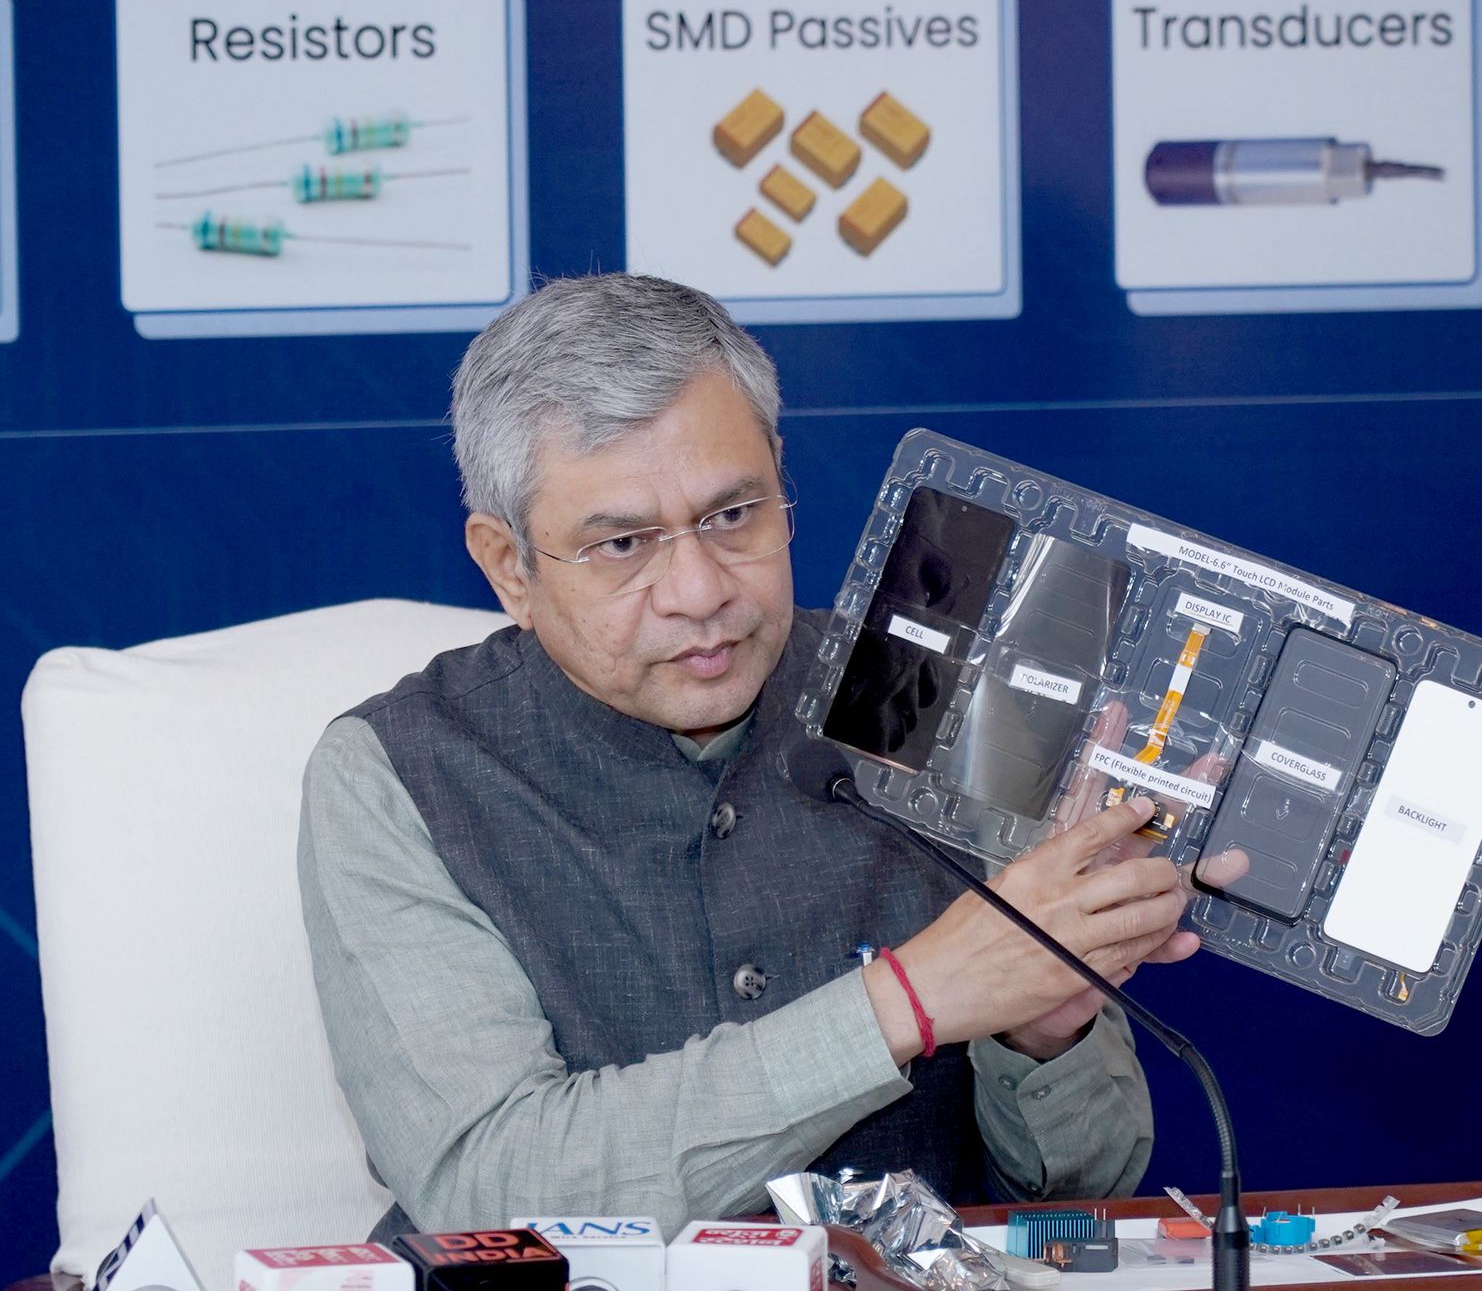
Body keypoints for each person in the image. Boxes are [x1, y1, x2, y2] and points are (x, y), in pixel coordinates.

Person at [298, 273, 1206, 1242]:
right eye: (623, 543)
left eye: (733, 516)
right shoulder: (398, 774)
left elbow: (1088, 1185)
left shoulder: (929, 699)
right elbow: (490, 1190)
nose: (699, 591)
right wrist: (908, 1000)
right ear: (508, 566)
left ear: (779, 479)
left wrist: (1044, 1028)